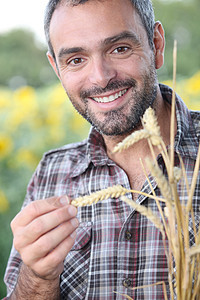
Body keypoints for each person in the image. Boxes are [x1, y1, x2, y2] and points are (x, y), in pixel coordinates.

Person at [3, 0, 200, 299]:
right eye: (76, 60)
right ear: (56, 69)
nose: (100, 77)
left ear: (156, 45)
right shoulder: (51, 173)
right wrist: (38, 277)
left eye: (119, 49)